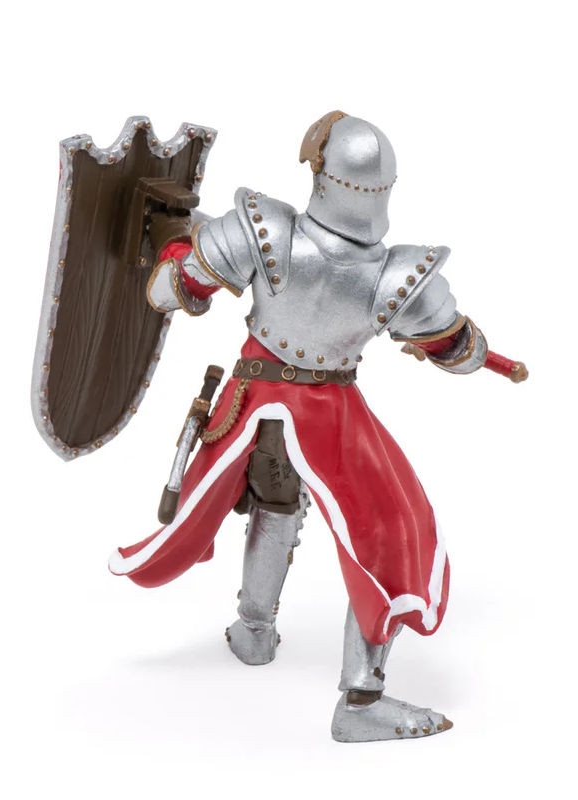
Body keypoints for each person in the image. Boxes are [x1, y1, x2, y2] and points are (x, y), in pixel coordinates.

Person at [108, 111, 494, 742]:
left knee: (278, 503)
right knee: (381, 533)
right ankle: (354, 692)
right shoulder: (397, 276)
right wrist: (470, 344)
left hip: (255, 406)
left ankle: (257, 634)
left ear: (320, 173)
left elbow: (166, 291)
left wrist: (179, 245)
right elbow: (458, 352)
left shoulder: (264, 230)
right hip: (329, 417)